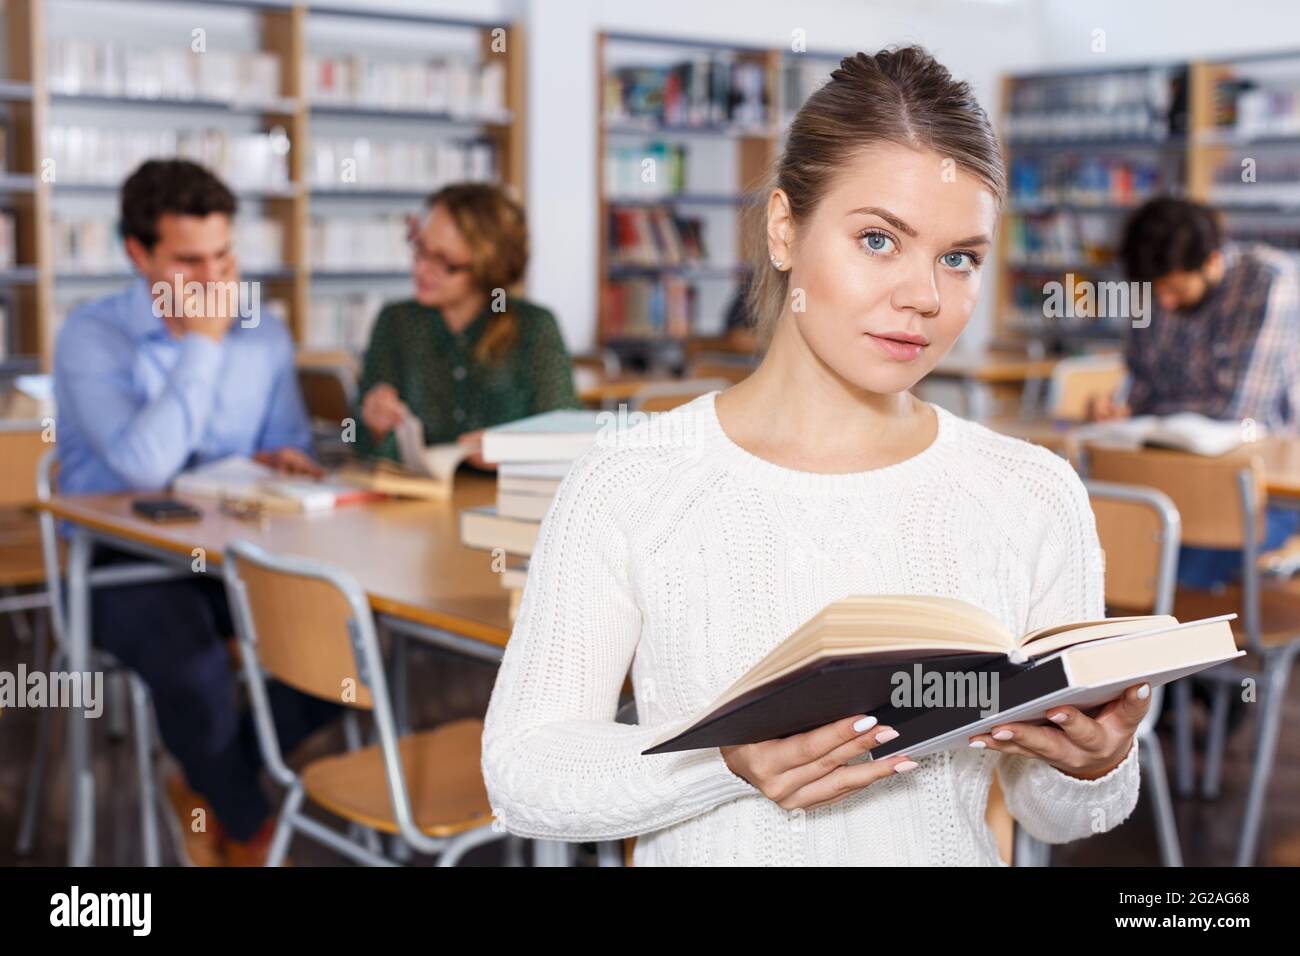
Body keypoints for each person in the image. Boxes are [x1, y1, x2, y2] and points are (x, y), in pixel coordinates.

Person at [481, 46, 1148, 866]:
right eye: (878, 239)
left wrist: (1098, 760)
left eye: (959, 257)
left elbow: (1054, 814)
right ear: (784, 228)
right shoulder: (630, 479)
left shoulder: (1033, 492)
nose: (925, 297)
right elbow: (522, 774)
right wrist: (723, 762)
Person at [53, 159, 340, 865]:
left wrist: (282, 459)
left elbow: (287, 441)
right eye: (189, 261)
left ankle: (205, 780)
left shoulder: (264, 331)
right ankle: (250, 828)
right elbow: (144, 466)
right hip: (116, 560)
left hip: (230, 550)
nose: (215, 280)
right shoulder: (93, 337)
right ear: (138, 253)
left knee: (347, 646)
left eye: (223, 257)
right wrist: (204, 343)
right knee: (196, 673)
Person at [1090, 197, 1300, 589]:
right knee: (1099, 558)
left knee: (1160, 575)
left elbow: (1237, 409)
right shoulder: (1153, 291)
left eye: (1174, 288)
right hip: (1165, 480)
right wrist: (1119, 407)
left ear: (1213, 261)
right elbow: (1141, 382)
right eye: (1155, 291)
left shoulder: (1271, 282)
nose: (1164, 303)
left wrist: (1147, 409)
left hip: (1263, 489)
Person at [355, 183, 580, 469]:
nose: (421, 269)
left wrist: (514, 450)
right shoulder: (395, 323)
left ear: (487, 267)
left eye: (444, 262)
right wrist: (374, 427)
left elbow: (569, 439)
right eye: (420, 249)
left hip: (507, 504)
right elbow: (356, 442)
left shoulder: (534, 327)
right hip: (418, 507)